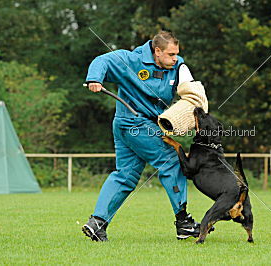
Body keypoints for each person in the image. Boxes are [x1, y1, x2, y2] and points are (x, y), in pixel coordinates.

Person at [82, 31, 203, 241]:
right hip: (133, 123)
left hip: (133, 126)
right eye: (171, 54)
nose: (175, 58)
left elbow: (190, 86)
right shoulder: (130, 60)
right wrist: (95, 78)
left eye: (176, 54)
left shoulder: (177, 66)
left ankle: (97, 223)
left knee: (125, 176)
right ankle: (183, 222)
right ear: (157, 51)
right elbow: (101, 61)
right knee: (172, 161)